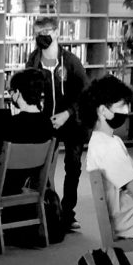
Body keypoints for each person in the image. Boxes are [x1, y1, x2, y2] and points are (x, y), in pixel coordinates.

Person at [26, 14, 88, 232]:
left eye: (47, 33)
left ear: (57, 33)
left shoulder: (71, 61)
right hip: (45, 122)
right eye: (38, 34)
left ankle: (68, 213)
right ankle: (49, 208)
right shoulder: (33, 60)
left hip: (72, 122)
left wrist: (67, 114)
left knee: (73, 166)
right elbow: (28, 88)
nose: (43, 37)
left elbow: (84, 94)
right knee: (41, 166)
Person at [0, 67, 54, 214]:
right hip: (29, 182)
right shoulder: (47, 124)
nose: (11, 95)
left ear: (18, 92)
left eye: (11, 92)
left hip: (4, 185)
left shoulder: (8, 124)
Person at [82, 75, 133, 240]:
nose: (127, 111)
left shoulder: (109, 140)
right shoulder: (107, 148)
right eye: (122, 105)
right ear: (103, 110)